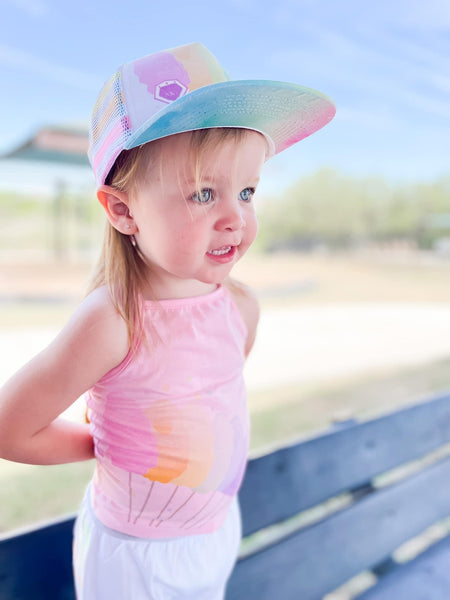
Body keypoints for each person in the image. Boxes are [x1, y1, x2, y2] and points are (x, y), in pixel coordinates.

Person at [0, 42, 335, 599]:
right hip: (138, 556)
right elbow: (11, 428)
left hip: (214, 530)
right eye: (204, 193)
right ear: (123, 210)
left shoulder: (240, 307)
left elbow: (210, 400)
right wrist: (101, 444)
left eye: (247, 191)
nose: (236, 218)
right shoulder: (114, 321)